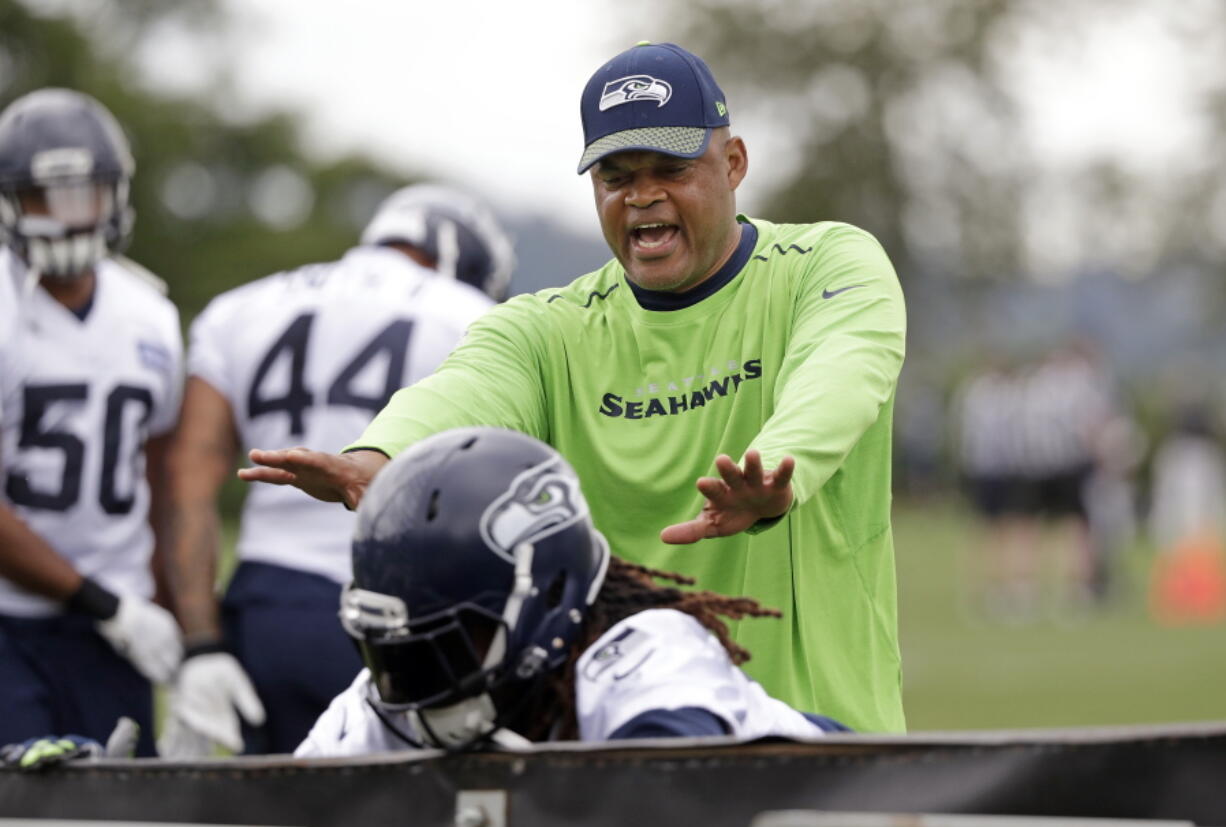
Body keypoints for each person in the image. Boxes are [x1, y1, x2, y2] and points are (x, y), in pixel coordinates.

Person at [242, 42, 907, 732]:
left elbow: (845, 365)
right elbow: (468, 387)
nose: (642, 195)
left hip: (828, 747)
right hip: (622, 755)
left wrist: (779, 468)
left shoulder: (825, 263)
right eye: (615, 176)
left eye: (670, 169)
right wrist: (379, 456)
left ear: (733, 163)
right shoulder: (547, 329)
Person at [160, 184, 513, 756]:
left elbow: (188, 480)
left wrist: (200, 642)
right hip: (403, 606)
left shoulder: (242, 307)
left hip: (266, 604)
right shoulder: (476, 318)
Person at [296, 427, 848, 755]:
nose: (417, 676)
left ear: (548, 595)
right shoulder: (386, 697)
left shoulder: (646, 658)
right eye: (395, 649)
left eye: (452, 639)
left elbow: (666, 800)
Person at [0, 88, 184, 756]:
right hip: (13, 624)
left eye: (86, 193)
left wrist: (189, 635)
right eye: (46, 196)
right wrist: (109, 605)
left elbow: (160, 487)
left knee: (121, 817)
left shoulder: (151, 315)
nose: (69, 217)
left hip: (117, 632)